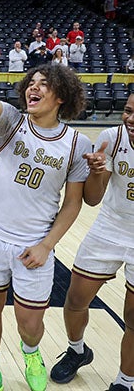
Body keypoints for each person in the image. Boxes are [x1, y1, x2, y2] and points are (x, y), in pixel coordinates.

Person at [0, 62, 91, 391]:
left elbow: (73, 202)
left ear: (61, 95)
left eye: (44, 84)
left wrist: (47, 245)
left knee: (29, 324)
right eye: (32, 82)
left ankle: (31, 353)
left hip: (34, 245)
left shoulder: (76, 143)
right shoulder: (13, 121)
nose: (34, 87)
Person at [50, 94, 134, 391]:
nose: (131, 119)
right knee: (74, 300)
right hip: (110, 226)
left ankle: (125, 380)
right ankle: (77, 350)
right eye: (128, 111)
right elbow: (93, 198)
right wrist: (97, 172)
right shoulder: (113, 137)